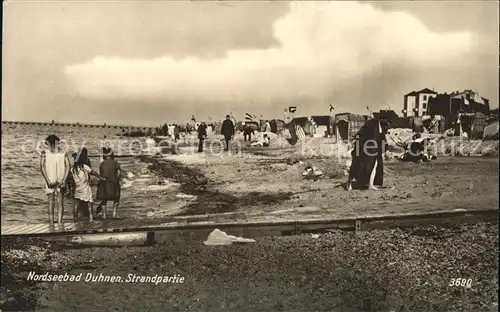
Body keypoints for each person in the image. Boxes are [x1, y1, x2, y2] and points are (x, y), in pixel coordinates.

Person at [346, 117, 389, 191]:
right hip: (362, 149)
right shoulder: (371, 124)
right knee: (356, 166)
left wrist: (383, 148)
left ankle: (371, 184)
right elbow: (361, 135)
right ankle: (348, 183)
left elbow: (381, 138)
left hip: (373, 150)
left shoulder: (382, 127)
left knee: (374, 166)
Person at [40, 134, 71, 225]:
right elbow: (68, 166)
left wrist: (47, 180)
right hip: (60, 179)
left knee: (50, 203)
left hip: (50, 179)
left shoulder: (44, 152)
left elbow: (41, 167)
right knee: (60, 203)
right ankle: (60, 223)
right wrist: (64, 180)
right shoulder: (63, 152)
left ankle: (51, 224)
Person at [72, 151, 105, 222]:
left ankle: (75, 219)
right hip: (85, 188)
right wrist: (100, 177)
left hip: (77, 188)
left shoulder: (72, 169)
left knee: (76, 204)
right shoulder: (84, 167)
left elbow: (70, 179)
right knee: (89, 204)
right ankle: (91, 219)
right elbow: (93, 172)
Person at [96, 148, 122, 219]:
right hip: (113, 182)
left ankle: (104, 215)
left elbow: (101, 173)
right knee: (116, 198)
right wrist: (117, 179)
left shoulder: (102, 164)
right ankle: (114, 214)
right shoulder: (115, 162)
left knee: (104, 199)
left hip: (104, 183)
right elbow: (119, 173)